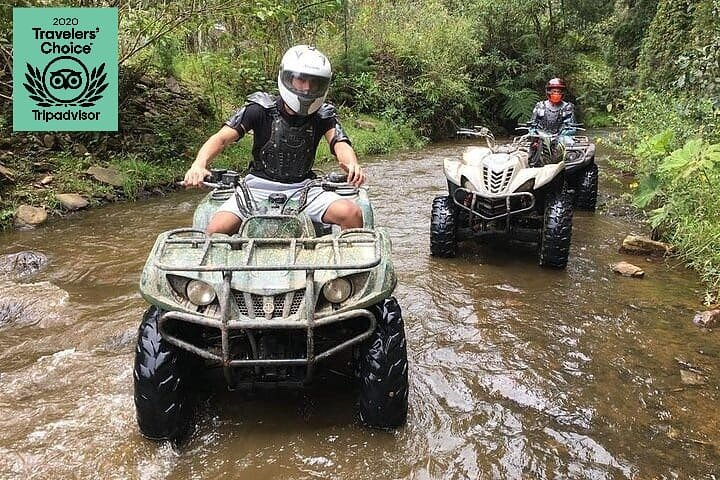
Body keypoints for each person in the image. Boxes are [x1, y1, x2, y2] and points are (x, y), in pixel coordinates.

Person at [183, 44, 365, 235]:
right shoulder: (260, 108)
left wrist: (351, 163)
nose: (307, 88)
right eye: (301, 80)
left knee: (351, 213)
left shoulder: (323, 115)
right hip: (254, 190)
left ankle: (349, 261)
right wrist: (199, 164)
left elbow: (339, 142)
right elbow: (221, 138)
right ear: (287, 78)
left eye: (314, 83)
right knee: (216, 229)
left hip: (304, 190)